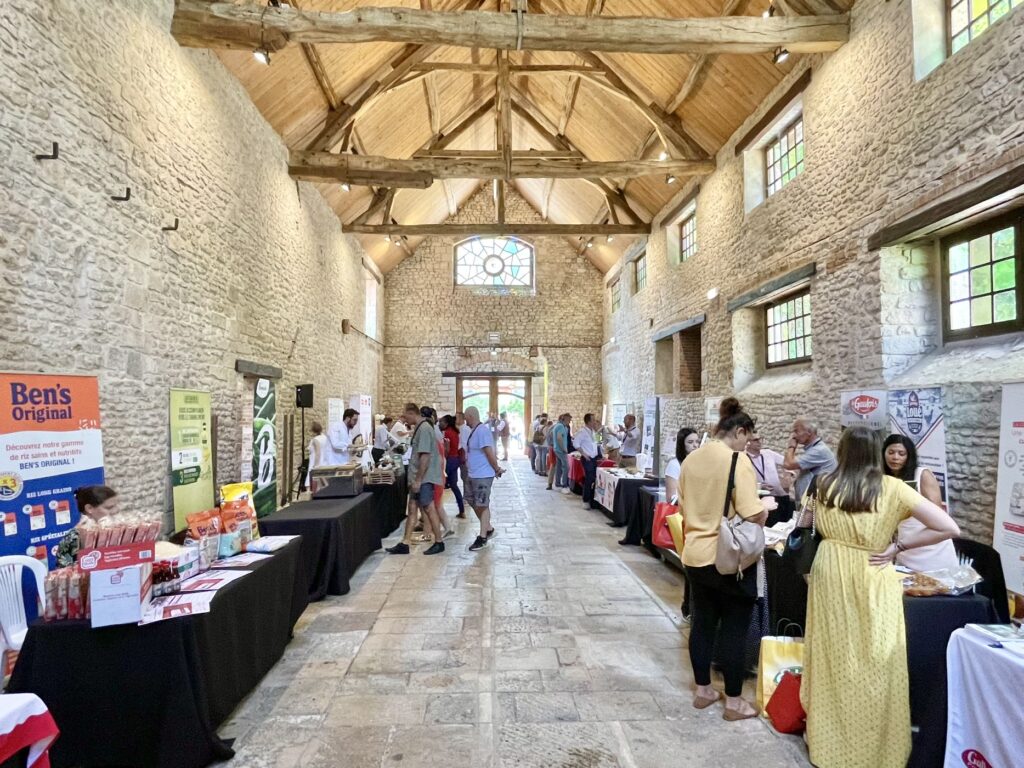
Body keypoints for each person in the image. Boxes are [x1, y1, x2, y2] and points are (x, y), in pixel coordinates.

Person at [802, 427, 960, 768]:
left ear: (842, 451)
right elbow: (949, 527)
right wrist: (898, 546)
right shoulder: (893, 488)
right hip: (872, 571)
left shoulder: (824, 483)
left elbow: (805, 521)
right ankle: (875, 749)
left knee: (833, 655)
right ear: (877, 454)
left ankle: (828, 744)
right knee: (877, 659)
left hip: (830, 569)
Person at [678, 403, 776, 721]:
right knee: (735, 629)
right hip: (727, 559)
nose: (746, 446)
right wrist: (766, 506)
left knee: (703, 624)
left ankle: (703, 691)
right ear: (739, 432)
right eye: (746, 440)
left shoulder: (691, 459)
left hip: (694, 553)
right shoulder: (738, 460)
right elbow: (751, 512)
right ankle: (734, 702)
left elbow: (683, 503)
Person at [883, 433, 959, 572]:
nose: (895, 457)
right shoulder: (884, 479)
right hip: (904, 548)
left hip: (931, 548)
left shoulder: (922, 475)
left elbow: (937, 514)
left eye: (901, 453)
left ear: (909, 456)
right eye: (891, 452)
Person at [386, 403, 446, 556]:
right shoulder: (420, 428)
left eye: (406, 416)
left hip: (423, 478)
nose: (405, 420)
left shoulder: (425, 429)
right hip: (417, 478)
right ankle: (405, 542)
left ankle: (439, 542)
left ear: (413, 414)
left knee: (428, 507)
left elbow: (425, 456)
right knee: (412, 508)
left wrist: (419, 480)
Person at [463, 406, 504, 551]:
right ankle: (488, 527)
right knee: (470, 499)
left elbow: (489, 451)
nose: (464, 420)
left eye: (465, 417)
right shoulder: (474, 431)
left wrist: (496, 468)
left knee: (482, 504)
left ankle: (483, 537)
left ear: (470, 416)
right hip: (473, 473)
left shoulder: (482, 431)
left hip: (482, 475)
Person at [56, 485, 120, 567]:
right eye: (109, 508)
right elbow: (67, 573)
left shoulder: (119, 530)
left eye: (116, 506)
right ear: (89, 508)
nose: (116, 511)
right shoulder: (74, 537)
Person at [782, 417, 838, 501]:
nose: (793, 436)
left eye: (796, 431)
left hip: (815, 504)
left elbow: (788, 464)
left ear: (809, 432)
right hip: (808, 502)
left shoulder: (819, 450)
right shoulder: (814, 449)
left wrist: (791, 446)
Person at [745, 430, 793, 525]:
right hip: (760, 499)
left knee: (784, 525)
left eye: (760, 438)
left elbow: (788, 463)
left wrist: (787, 475)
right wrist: (760, 486)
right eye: (756, 440)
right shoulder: (744, 458)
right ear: (748, 443)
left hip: (780, 496)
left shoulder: (768, 453)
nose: (760, 442)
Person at [440, 414, 466, 520]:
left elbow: (446, 449)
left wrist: (442, 460)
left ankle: (436, 511)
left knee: (440, 486)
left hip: (449, 460)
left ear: (446, 423)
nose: (440, 423)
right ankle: (462, 510)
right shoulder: (456, 432)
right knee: (454, 486)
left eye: (442, 421)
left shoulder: (447, 433)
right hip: (455, 460)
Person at [664, 427, 700, 502]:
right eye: (690, 442)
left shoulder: (700, 464)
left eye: (697, 442)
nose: (695, 445)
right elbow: (671, 497)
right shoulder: (674, 465)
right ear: (682, 444)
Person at [576, 413, 602, 510]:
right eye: (593, 420)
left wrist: (598, 431)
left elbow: (599, 442)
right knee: (589, 479)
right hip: (588, 459)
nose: (595, 422)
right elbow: (576, 444)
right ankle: (585, 500)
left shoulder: (593, 432)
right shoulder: (582, 432)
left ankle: (592, 500)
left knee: (594, 478)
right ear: (589, 421)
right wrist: (583, 454)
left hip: (594, 458)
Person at [552, 413, 571, 493]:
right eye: (569, 420)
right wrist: (564, 449)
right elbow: (559, 438)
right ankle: (564, 485)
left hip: (557, 449)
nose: (569, 422)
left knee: (559, 466)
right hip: (561, 450)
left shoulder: (558, 425)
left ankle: (557, 483)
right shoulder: (560, 426)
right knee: (566, 467)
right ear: (565, 419)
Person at [307, 421, 329, 489]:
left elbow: (318, 453)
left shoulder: (315, 440)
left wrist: (315, 465)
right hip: (324, 461)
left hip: (316, 462)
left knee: (314, 482)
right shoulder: (324, 437)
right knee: (322, 482)